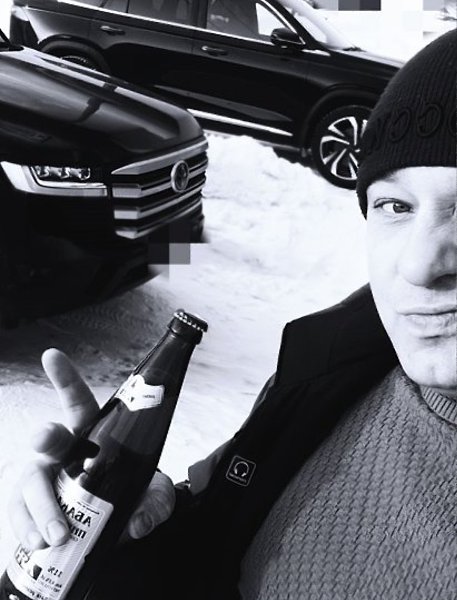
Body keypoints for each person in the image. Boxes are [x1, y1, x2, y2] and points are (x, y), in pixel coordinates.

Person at [8, 29, 456, 599]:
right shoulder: (334, 368)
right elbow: (213, 552)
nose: (419, 265)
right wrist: (133, 541)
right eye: (395, 205)